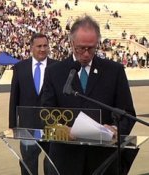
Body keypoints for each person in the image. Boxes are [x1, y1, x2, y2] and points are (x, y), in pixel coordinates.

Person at [41, 15, 137, 175]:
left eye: (91, 48)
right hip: (66, 160)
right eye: (81, 48)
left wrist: (115, 129)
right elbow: (45, 113)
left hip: (103, 160)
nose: (86, 54)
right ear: (71, 43)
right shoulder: (54, 72)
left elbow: (127, 113)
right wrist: (61, 130)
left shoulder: (114, 71)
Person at [9, 33, 56, 175]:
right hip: (27, 126)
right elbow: (14, 97)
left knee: (51, 165)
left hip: (51, 127)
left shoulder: (57, 67)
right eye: (39, 46)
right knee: (28, 165)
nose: (42, 49)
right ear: (31, 48)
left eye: (45, 46)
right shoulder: (20, 68)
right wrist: (12, 124)